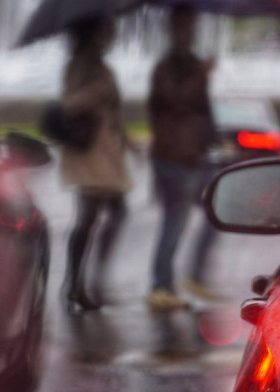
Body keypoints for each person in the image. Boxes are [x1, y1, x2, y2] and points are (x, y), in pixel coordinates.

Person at [146, 4, 218, 310]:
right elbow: (173, 100)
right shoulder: (167, 67)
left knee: (220, 206)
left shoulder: (190, 63)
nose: (190, 32)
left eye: (193, 25)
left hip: (195, 155)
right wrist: (200, 75)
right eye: (185, 25)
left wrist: (213, 135)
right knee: (173, 221)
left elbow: (201, 108)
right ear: (174, 29)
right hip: (174, 157)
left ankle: (195, 275)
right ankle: (161, 286)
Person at [61, 17, 133, 312]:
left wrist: (129, 142)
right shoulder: (80, 64)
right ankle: (79, 283)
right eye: (106, 27)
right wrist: (97, 89)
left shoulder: (99, 64)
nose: (113, 31)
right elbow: (69, 103)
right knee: (91, 217)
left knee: (107, 215)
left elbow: (113, 113)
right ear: (93, 31)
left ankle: (86, 282)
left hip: (105, 153)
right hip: (89, 154)